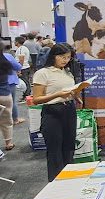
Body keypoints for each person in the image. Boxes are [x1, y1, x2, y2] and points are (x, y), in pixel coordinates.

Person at [32, 43, 81, 181]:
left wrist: (75, 96)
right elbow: (36, 99)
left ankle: (69, 179)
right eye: (62, 57)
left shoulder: (67, 71)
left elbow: (67, 90)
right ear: (54, 55)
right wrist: (57, 95)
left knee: (69, 146)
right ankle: (55, 182)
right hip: (52, 112)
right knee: (55, 149)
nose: (65, 60)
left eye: (68, 57)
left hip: (69, 110)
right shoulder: (43, 73)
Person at [0, 44, 21, 151]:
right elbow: (17, 67)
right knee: (6, 120)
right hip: (4, 91)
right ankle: (8, 143)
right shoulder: (6, 57)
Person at [3, 44, 24, 125]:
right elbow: (18, 67)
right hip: (9, 82)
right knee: (11, 101)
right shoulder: (7, 56)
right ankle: (15, 119)